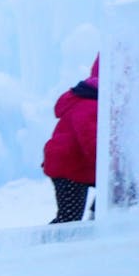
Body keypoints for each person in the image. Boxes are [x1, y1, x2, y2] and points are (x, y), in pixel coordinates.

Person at [42, 55, 99, 223]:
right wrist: (110, 165)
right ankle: (45, 247)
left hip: (78, 166)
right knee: (69, 219)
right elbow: (91, 141)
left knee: (123, 187)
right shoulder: (91, 103)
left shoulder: (92, 99)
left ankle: (97, 219)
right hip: (68, 168)